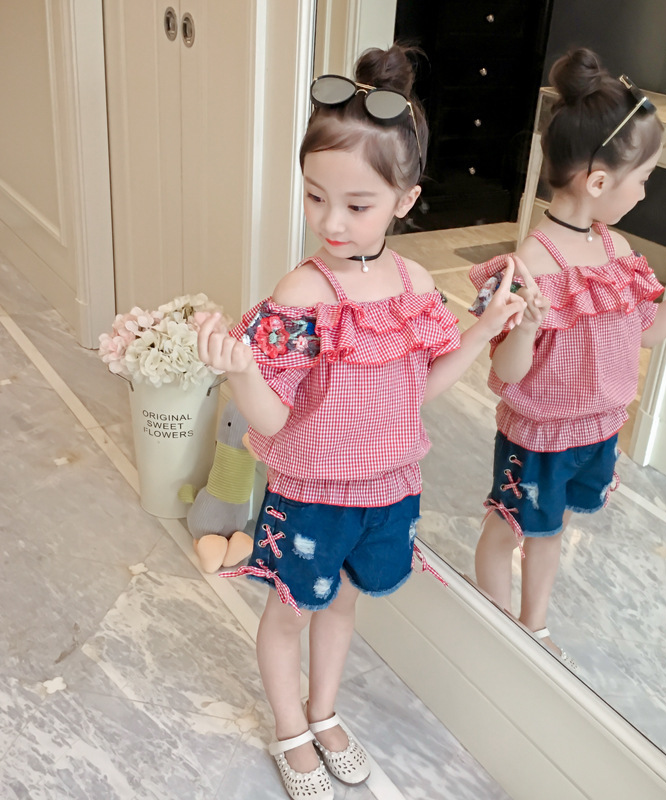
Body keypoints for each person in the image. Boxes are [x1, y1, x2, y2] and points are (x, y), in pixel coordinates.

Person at [195, 44, 526, 800]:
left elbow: (417, 392)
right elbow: (272, 413)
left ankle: (324, 711)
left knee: (341, 602)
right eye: (315, 197)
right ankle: (290, 729)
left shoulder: (414, 283)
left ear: (405, 200)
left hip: (387, 487)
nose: (330, 221)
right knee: (291, 610)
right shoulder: (302, 293)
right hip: (312, 492)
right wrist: (242, 367)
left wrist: (480, 331)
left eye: (356, 204)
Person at [468, 48, 666, 669]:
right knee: (509, 525)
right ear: (598, 182)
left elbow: (647, 332)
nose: (646, 191)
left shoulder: (616, 250)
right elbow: (505, 375)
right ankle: (492, 626)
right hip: (539, 437)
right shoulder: (528, 267)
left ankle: (534, 625)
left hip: (596, 431)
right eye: (643, 178)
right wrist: (525, 328)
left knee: (550, 529)